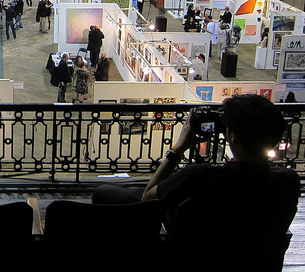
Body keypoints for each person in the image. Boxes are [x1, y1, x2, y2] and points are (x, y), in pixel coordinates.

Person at [93, 95, 300, 255]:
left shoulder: (199, 177)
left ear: (232, 135)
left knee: (104, 192)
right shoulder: (288, 182)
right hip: (249, 259)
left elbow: (148, 197)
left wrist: (178, 149)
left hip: (192, 254)